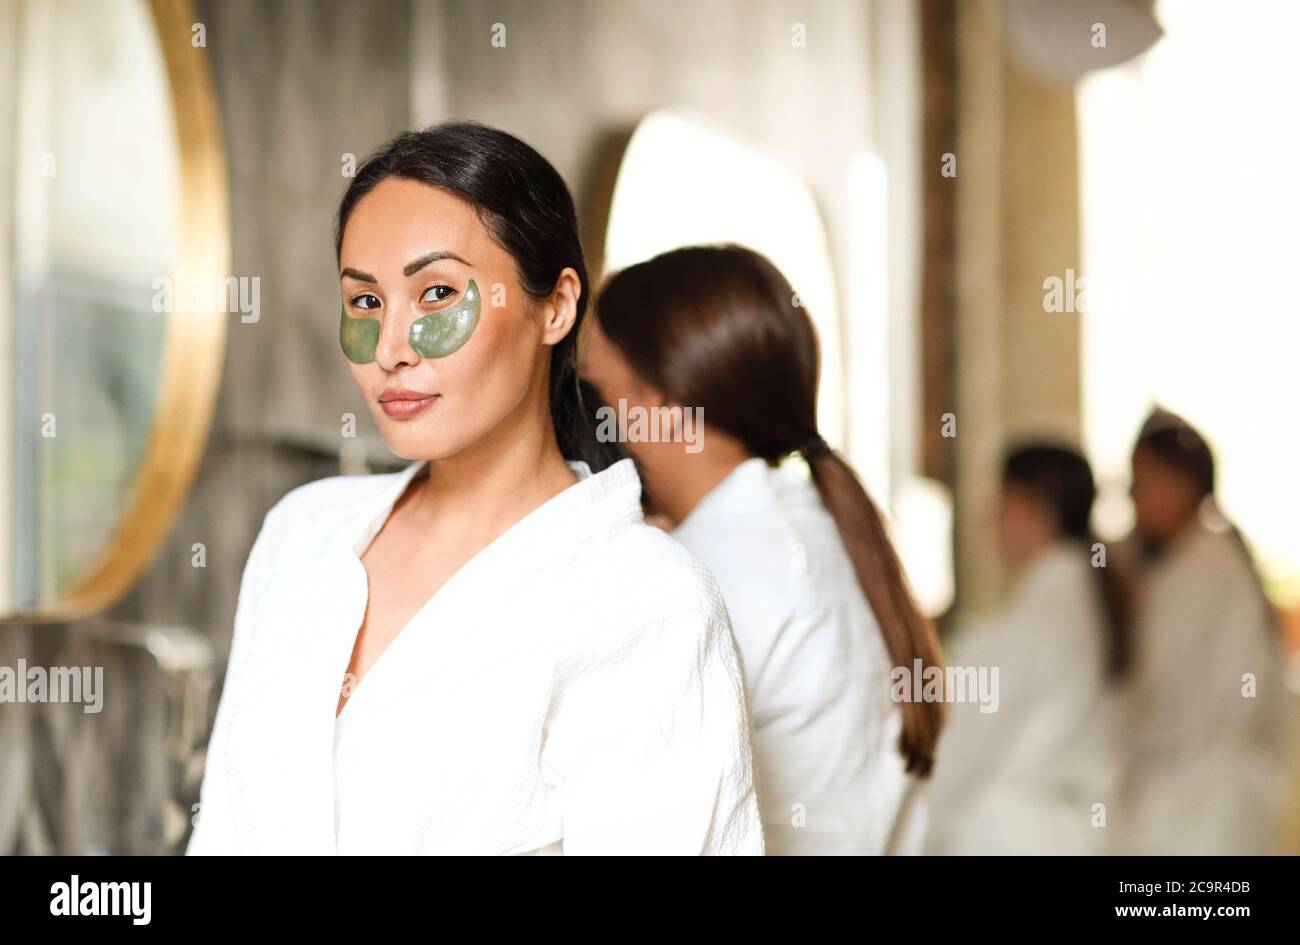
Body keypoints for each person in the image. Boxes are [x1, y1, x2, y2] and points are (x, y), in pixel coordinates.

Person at [187, 123, 764, 855]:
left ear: (555, 306)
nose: (391, 349)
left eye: (436, 294)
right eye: (365, 303)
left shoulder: (644, 603)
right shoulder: (301, 534)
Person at [582, 244, 944, 855]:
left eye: (593, 392)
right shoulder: (807, 526)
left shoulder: (707, 566)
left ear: (660, 406)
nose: (584, 421)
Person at [926, 444, 1125, 855]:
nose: (991, 515)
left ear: (1038, 507)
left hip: (1017, 836)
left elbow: (966, 744)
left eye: (1002, 500)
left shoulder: (1043, 614)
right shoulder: (1071, 595)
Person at [1116, 409, 1286, 854]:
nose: (1132, 496)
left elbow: (1185, 702)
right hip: (1188, 800)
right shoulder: (1176, 568)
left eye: (1142, 481)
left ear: (1181, 485)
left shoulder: (1209, 572)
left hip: (1206, 807)